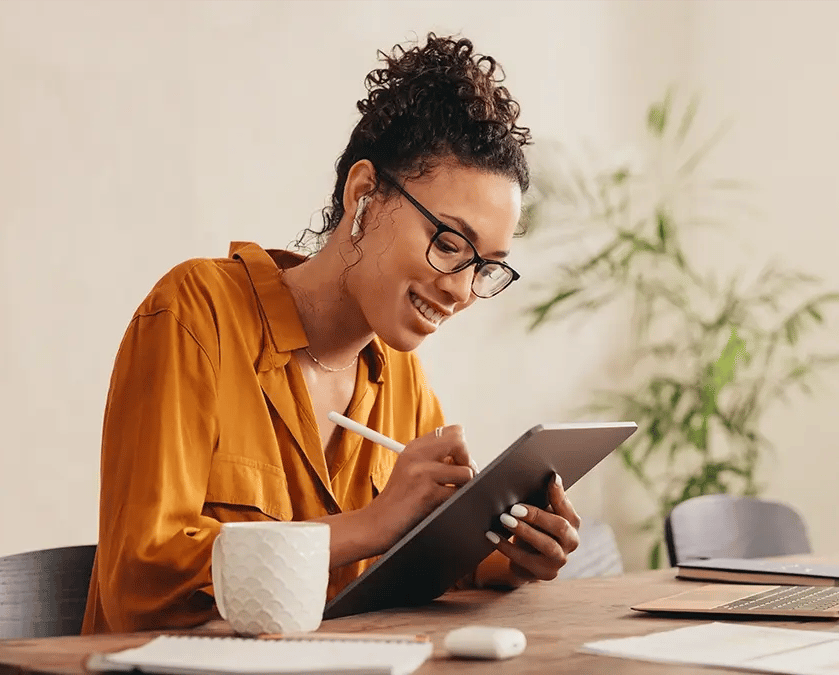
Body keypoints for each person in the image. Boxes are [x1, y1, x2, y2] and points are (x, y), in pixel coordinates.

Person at [81, 33, 582, 635]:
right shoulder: (195, 314)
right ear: (364, 194)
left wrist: (509, 558)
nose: (462, 290)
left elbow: (405, 569)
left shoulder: (398, 377)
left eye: (486, 267)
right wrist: (371, 523)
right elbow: (142, 579)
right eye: (450, 244)